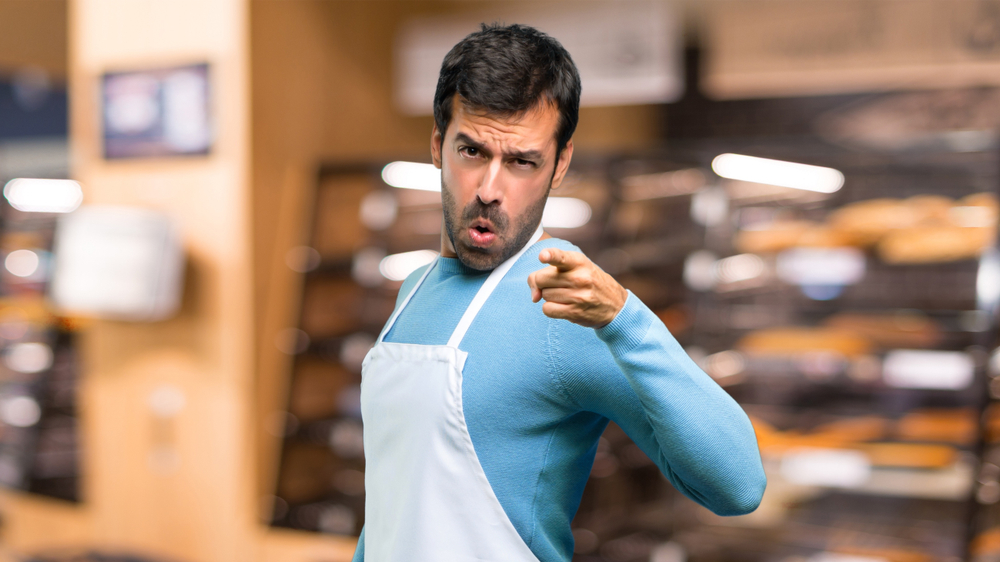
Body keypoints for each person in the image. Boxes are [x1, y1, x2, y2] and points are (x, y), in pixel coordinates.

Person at [352, 23, 765, 562]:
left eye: (522, 162)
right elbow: (392, 509)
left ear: (560, 165)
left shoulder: (566, 310)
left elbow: (738, 487)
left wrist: (625, 319)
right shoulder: (413, 289)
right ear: (437, 145)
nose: (489, 190)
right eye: (472, 151)